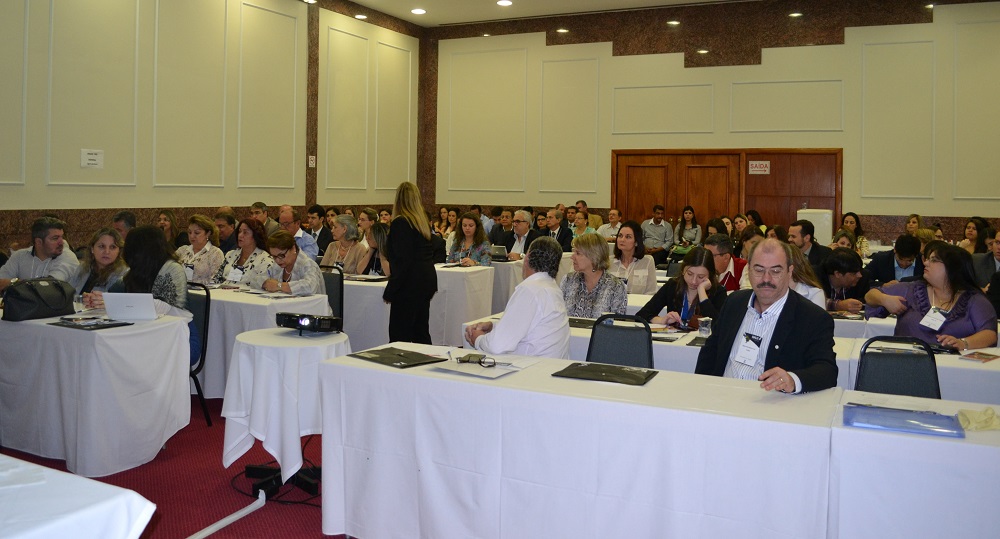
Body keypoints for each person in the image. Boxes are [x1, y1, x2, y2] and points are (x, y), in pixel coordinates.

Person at [695, 238, 837, 393]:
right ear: (748, 270)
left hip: (771, 405)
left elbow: (827, 370)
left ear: (790, 272)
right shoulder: (734, 303)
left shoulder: (812, 317)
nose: (766, 279)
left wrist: (793, 379)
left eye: (776, 271)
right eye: (759, 270)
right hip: (723, 397)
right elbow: (710, 351)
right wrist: (702, 390)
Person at [866, 241, 997, 351]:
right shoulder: (912, 289)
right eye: (928, 259)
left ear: (952, 268)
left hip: (953, 368)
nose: (926, 263)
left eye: (934, 260)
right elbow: (871, 295)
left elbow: (989, 334)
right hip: (906, 363)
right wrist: (884, 299)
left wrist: (963, 343)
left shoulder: (973, 300)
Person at [465, 236, 570, 358]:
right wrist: (493, 326)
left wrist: (477, 338)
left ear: (527, 258)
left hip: (529, 370)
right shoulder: (552, 288)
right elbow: (528, 328)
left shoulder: (530, 290)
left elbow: (496, 346)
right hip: (547, 367)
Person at [384, 182, 437, 344]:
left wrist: (392, 288)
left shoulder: (401, 223)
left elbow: (402, 261)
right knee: (420, 331)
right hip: (425, 281)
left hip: (409, 285)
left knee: (400, 333)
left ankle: (399, 367)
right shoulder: (420, 222)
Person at [636, 247, 727, 328]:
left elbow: (718, 325)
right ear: (683, 270)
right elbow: (641, 315)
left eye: (701, 277)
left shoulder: (718, 291)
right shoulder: (672, 285)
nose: (693, 281)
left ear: (709, 275)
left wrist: (702, 292)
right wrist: (662, 320)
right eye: (689, 274)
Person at [0, 216, 79, 293]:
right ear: (39, 242)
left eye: (62, 237)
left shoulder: (67, 257)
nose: (61, 242)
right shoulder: (20, 256)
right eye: (55, 238)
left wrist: (13, 283)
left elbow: (48, 287)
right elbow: (1, 282)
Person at [560, 233, 627, 318]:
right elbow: (558, 317)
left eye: (578, 253)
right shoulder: (568, 280)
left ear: (594, 256)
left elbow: (617, 325)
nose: (572, 257)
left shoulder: (616, 286)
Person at [212, 218, 275, 288]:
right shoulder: (231, 255)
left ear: (255, 236)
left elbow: (262, 286)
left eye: (245, 232)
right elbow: (217, 280)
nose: (240, 235)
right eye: (239, 231)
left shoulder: (265, 259)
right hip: (222, 295)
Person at [68, 227, 127, 298]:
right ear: (92, 249)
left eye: (112, 247)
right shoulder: (83, 267)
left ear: (119, 251)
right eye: (102, 246)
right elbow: (68, 294)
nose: (107, 252)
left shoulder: (123, 274)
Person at [262, 231, 325, 295]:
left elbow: (310, 287)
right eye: (274, 256)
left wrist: (279, 286)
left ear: (293, 248)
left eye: (281, 255)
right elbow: (259, 278)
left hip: (310, 304)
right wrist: (265, 283)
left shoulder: (308, 264)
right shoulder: (276, 265)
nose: (277, 260)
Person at [608, 220, 657, 294]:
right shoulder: (609, 261)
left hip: (639, 304)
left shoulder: (647, 261)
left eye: (628, 237)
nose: (622, 240)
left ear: (636, 242)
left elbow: (652, 291)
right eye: (620, 236)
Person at [818, 247, 870, 313]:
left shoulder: (863, 278)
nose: (860, 275)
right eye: (853, 273)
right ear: (838, 274)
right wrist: (838, 305)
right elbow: (811, 301)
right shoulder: (815, 277)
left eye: (860, 270)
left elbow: (866, 301)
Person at [175, 214, 224, 285]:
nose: (192, 236)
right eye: (189, 232)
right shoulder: (182, 250)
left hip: (203, 293)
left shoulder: (215, 253)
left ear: (208, 233)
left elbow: (215, 281)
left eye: (197, 233)